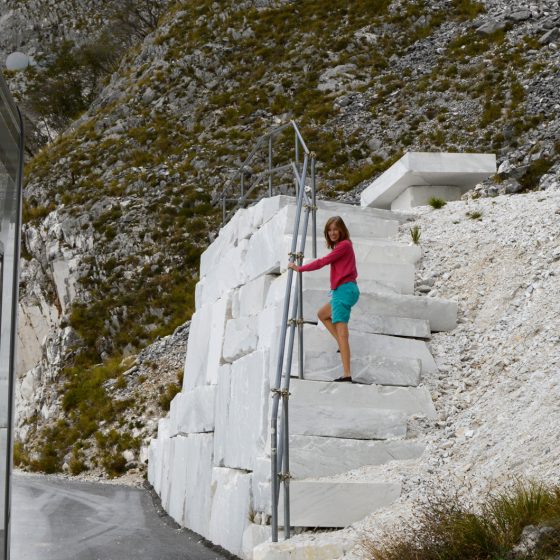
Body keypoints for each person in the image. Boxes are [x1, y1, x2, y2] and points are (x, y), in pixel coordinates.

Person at [288, 216, 359, 382]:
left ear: (342, 230)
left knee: (342, 333)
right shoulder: (342, 246)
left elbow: (322, 262)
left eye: (335, 229)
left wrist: (300, 268)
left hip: (344, 290)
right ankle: (341, 346)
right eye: (330, 230)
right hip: (343, 290)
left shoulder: (344, 245)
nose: (332, 233)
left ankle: (347, 374)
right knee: (322, 314)